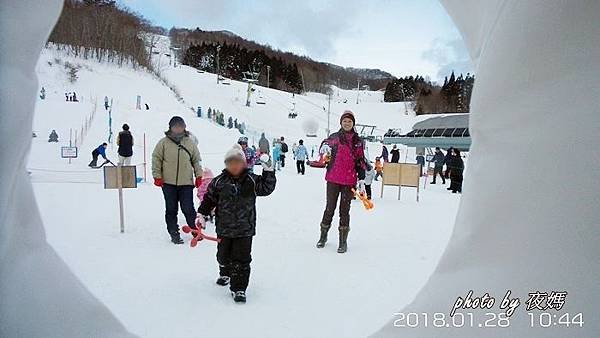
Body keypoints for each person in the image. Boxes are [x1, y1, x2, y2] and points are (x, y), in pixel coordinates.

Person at [197, 144, 276, 303]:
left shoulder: (252, 180)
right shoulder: (219, 182)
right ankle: (225, 271)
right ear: (226, 164)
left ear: (244, 164)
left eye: (238, 162)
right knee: (223, 256)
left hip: (245, 229)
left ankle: (239, 288)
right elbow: (209, 199)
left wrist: (268, 171)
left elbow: (267, 188)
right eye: (230, 162)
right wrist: (202, 214)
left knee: (242, 259)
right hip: (224, 229)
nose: (234, 166)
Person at [317, 110, 366, 253]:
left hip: (349, 181)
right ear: (341, 122)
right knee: (329, 208)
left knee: (344, 211)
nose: (347, 123)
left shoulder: (358, 141)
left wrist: (362, 179)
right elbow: (326, 142)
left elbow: (360, 161)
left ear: (353, 123)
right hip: (333, 179)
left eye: (349, 121)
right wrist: (323, 146)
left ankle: (342, 242)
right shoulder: (335, 137)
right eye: (345, 121)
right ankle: (323, 236)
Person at [152, 116, 204, 244]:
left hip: (186, 182)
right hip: (168, 183)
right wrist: (157, 176)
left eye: (180, 126)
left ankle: (195, 231)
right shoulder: (163, 143)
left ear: (184, 127)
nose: (178, 128)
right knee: (171, 209)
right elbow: (156, 159)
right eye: (175, 126)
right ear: (171, 127)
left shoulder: (189, 143)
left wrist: (199, 175)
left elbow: (196, 160)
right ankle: (174, 233)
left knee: (188, 208)